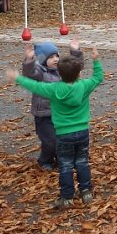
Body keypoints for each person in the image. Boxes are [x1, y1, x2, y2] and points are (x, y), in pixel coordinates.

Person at [6, 46, 104, 209]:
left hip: (63, 134)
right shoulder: (85, 85)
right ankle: (86, 191)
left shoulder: (53, 89)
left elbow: (34, 86)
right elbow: (98, 77)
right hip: (82, 132)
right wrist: (96, 60)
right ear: (79, 74)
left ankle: (66, 197)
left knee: (65, 164)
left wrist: (17, 78)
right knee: (82, 161)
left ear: (60, 73)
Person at [22, 40, 84, 170]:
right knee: (50, 141)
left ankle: (61, 159)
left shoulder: (62, 70)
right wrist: (29, 60)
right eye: (50, 57)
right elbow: (29, 72)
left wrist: (75, 52)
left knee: (62, 139)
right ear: (43, 60)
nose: (55, 59)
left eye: (57, 56)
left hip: (60, 113)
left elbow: (75, 67)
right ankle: (45, 160)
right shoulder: (40, 73)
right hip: (44, 114)